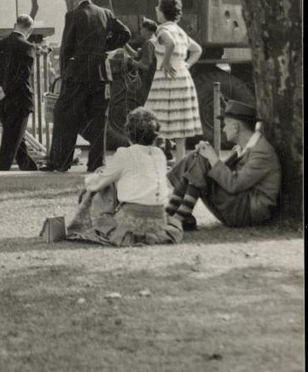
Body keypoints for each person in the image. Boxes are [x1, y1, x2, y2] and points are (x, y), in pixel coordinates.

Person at [45, 0, 131, 173]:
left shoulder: (73, 15)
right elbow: (125, 34)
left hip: (78, 75)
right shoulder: (106, 13)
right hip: (101, 74)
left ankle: (61, 162)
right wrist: (105, 47)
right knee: (99, 120)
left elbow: (67, 47)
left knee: (65, 117)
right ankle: (96, 163)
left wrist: (64, 72)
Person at [66, 107, 183, 246]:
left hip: (131, 218)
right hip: (159, 218)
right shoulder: (159, 154)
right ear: (155, 135)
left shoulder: (124, 154)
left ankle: (96, 223)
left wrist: (90, 180)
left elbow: (98, 184)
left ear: (128, 134)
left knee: (103, 182)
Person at [166, 99, 281, 230]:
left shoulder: (261, 151)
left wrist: (212, 158)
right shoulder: (244, 148)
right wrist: (207, 156)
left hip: (247, 211)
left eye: (225, 124)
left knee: (201, 159)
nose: (224, 129)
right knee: (197, 156)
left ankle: (178, 216)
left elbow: (234, 185)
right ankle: (173, 213)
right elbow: (221, 175)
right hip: (240, 205)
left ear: (235, 127)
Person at [144, 0, 203, 160]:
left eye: (158, 6)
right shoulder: (180, 30)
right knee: (179, 124)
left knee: (156, 120)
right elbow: (197, 49)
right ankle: (179, 163)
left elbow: (170, 43)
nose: (156, 9)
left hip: (165, 78)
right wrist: (187, 64)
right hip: (182, 78)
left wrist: (167, 60)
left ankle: (157, 161)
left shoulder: (162, 28)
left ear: (162, 12)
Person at [0, 14, 38, 172]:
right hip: (20, 98)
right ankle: (1, 170)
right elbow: (23, 75)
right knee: (12, 139)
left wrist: (2, 89)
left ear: (14, 24)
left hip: (2, 98)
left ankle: (30, 168)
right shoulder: (28, 47)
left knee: (15, 137)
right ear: (30, 30)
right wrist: (8, 90)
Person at [105, 19, 158, 149]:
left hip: (148, 80)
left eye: (142, 30)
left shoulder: (148, 44)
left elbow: (145, 65)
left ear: (147, 30)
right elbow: (136, 54)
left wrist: (131, 62)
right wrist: (124, 44)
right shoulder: (154, 42)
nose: (140, 32)